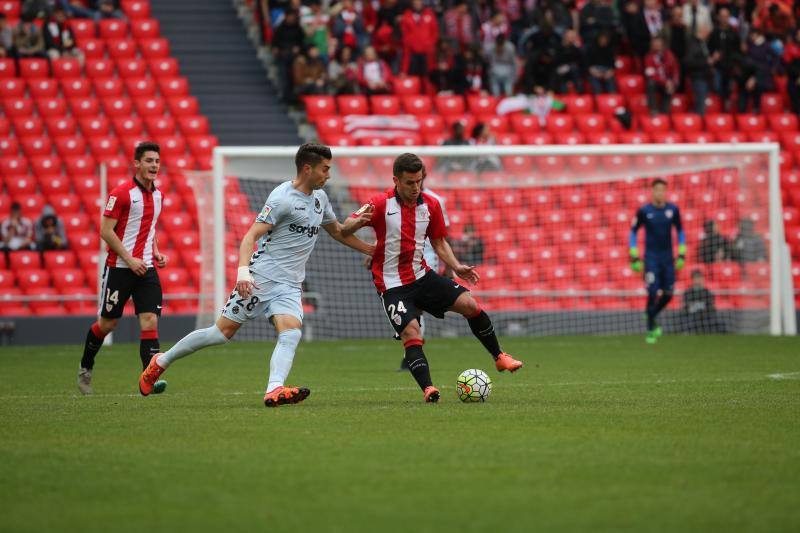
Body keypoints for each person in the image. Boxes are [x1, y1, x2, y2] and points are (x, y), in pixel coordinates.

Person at [138, 143, 375, 407]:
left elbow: (338, 232)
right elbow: (251, 235)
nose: (328, 175)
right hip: (261, 279)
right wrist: (243, 273)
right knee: (220, 334)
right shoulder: (282, 198)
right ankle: (160, 361)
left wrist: (372, 250)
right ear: (307, 169)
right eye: (325, 169)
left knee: (291, 333)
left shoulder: (320, 199)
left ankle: (274, 388)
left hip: (290, 284)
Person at [342, 153, 523, 403]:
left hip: (422, 276)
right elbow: (343, 229)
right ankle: (429, 389)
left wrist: (457, 266)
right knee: (411, 332)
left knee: (470, 304)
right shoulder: (379, 204)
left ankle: (499, 357)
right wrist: (366, 245)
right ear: (396, 180)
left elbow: (438, 242)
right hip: (393, 285)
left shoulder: (431, 205)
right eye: (409, 182)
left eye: (419, 181)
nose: (415, 187)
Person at [77, 142, 168, 395]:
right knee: (107, 325)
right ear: (137, 164)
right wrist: (129, 259)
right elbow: (105, 231)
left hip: (146, 268)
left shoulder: (158, 195)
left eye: (157, 161)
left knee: (149, 320)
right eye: (149, 161)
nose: (154, 166)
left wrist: (156, 251)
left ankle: (148, 379)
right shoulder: (121, 193)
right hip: (119, 267)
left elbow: (149, 228)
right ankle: (86, 367)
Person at [629, 178, 686, 344]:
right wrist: (634, 255)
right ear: (652, 192)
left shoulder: (673, 210)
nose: (660, 193)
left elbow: (680, 231)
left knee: (668, 294)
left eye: (663, 190)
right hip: (651, 258)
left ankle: (651, 313)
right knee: (652, 291)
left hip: (668, 259)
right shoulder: (644, 211)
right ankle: (650, 330)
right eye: (657, 190)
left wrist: (681, 253)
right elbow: (633, 232)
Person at [680, 269, 727, 333]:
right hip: (692, 318)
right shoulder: (688, 293)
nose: (698, 280)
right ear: (692, 280)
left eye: (699, 277)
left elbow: (711, 308)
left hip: (705, 318)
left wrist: (703, 313)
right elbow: (686, 308)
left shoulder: (707, 293)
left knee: (720, 324)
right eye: (696, 278)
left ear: (702, 279)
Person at [644, 36, 679, 115]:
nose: (657, 45)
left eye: (658, 43)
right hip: (658, 82)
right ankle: (653, 110)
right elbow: (650, 74)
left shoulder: (670, 55)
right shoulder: (649, 57)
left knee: (669, 89)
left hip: (668, 83)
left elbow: (675, 71)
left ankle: (664, 113)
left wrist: (673, 83)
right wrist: (664, 82)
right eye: (655, 44)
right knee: (650, 83)